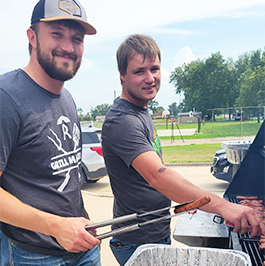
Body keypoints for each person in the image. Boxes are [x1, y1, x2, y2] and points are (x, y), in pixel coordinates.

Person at [101, 34, 263, 266]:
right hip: (137, 241)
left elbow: (151, 176)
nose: (150, 78)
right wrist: (223, 206)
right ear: (122, 76)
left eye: (154, 69)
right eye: (139, 71)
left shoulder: (140, 111)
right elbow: (157, 176)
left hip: (154, 232)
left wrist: (190, 199)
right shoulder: (123, 120)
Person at [0, 0, 101, 265]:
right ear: (32, 37)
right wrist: (56, 227)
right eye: (57, 34)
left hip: (84, 250)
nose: (68, 48)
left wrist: (83, 219)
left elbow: (64, 176)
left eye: (77, 39)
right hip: (31, 254)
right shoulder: (6, 98)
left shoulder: (66, 97)